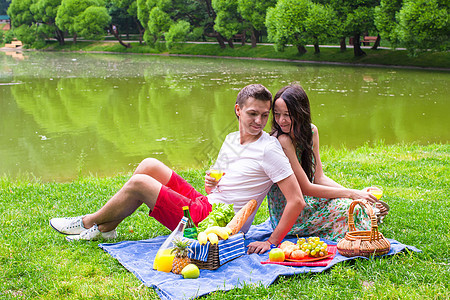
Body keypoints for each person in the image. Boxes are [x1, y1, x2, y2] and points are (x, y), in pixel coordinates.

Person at [50, 84, 305, 254]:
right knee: (149, 165)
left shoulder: (269, 149)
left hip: (218, 223)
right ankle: (107, 228)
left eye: (264, 115)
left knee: (140, 184)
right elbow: (216, 185)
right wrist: (212, 183)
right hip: (207, 203)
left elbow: (297, 200)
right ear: (238, 110)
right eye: (253, 114)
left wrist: (272, 242)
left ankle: (87, 222)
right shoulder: (230, 138)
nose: (259, 121)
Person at [267, 84, 389, 241]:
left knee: (352, 205)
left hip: (311, 201)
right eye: (277, 114)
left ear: (301, 113)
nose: (281, 120)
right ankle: (370, 214)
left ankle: (368, 210)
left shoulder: (311, 131)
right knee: (351, 210)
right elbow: (306, 188)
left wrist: (354, 195)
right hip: (293, 213)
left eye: (287, 114)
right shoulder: (282, 140)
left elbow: (320, 178)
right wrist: (352, 194)